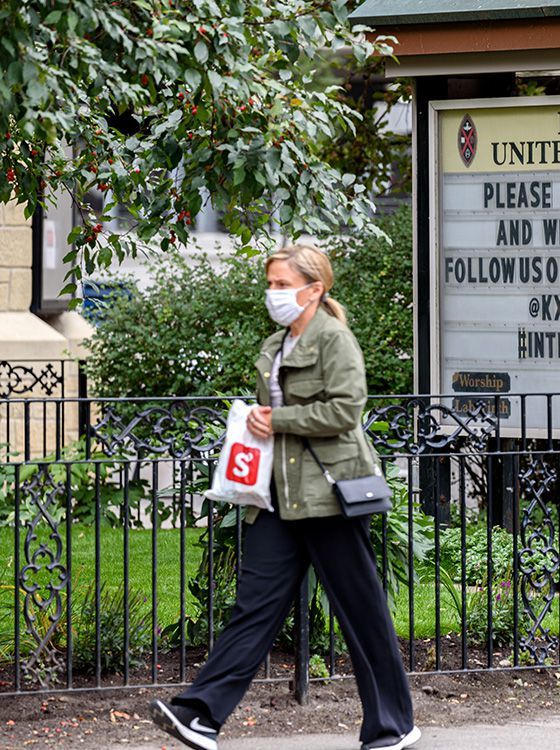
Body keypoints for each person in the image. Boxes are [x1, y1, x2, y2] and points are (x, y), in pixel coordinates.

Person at [150, 244, 420, 750]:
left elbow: (345, 410)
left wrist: (279, 420)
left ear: (314, 289)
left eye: (281, 284)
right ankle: (200, 714)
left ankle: (393, 725)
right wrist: (257, 423)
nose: (272, 293)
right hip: (277, 496)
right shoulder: (276, 345)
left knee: (361, 612)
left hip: (330, 495)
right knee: (253, 607)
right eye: (270, 283)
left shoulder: (334, 339)